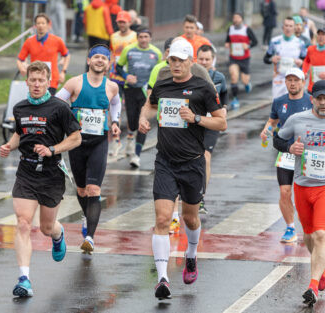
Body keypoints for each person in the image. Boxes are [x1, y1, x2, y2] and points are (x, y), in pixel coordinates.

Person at [138, 39, 226, 300]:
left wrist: (196, 118)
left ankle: (191, 254)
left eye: (180, 60)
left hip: (192, 163)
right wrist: (144, 118)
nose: (175, 64)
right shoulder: (162, 84)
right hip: (165, 161)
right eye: (172, 60)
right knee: (163, 219)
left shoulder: (203, 88)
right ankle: (163, 278)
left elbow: (222, 122)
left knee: (190, 217)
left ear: (190, 62)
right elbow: (150, 105)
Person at [0, 61, 82, 297]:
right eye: (32, 80)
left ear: (48, 82)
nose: (36, 84)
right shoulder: (20, 108)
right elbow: (19, 132)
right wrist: (9, 145)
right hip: (26, 171)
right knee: (23, 223)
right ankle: (24, 279)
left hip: (52, 173)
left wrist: (53, 149)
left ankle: (58, 234)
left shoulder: (59, 108)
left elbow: (75, 138)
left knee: (46, 227)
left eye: (41, 80)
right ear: (27, 82)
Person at [274, 80, 325, 306]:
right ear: (312, 99)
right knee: (309, 237)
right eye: (318, 98)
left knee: (320, 235)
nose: (322, 102)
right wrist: (289, 148)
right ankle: (321, 267)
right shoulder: (297, 120)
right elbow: (277, 138)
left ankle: (312, 285)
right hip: (302, 186)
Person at [56, 45, 121, 253]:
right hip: (76, 142)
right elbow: (57, 102)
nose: (100, 60)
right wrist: (66, 122)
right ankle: (86, 215)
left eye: (104, 58)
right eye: (96, 57)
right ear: (88, 60)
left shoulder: (112, 87)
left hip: (99, 142)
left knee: (94, 190)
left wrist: (115, 121)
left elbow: (116, 104)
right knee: (82, 189)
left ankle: (90, 237)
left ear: (108, 63)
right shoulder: (75, 82)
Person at [260, 68, 312, 243]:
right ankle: (290, 227)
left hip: (306, 154)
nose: (292, 83)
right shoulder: (279, 101)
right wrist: (266, 129)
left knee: (306, 194)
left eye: (296, 80)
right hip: (286, 152)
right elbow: (273, 121)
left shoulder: (311, 100)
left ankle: (310, 225)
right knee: (284, 191)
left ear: (303, 82)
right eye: (289, 80)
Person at [116, 27, 162, 168]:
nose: (143, 39)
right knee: (132, 120)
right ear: (137, 38)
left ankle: (136, 155)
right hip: (131, 90)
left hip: (146, 92)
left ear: (150, 38)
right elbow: (118, 66)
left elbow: (161, 71)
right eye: (141, 37)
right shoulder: (128, 50)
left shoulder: (156, 53)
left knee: (143, 122)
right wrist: (126, 76)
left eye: (146, 37)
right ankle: (130, 137)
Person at [196, 44, 228, 214]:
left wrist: (224, 108)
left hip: (211, 122)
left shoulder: (219, 77)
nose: (204, 61)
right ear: (196, 59)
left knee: (206, 157)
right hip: (193, 122)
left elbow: (224, 96)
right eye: (201, 58)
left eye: (207, 59)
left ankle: (201, 197)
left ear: (212, 59)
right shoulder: (191, 76)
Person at [17, 13, 70, 95]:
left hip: (51, 80)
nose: (40, 26)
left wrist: (63, 72)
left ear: (48, 25)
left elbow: (67, 55)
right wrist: (21, 68)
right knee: (36, 105)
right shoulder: (29, 42)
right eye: (38, 23)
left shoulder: (57, 40)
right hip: (35, 80)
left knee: (48, 105)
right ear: (35, 26)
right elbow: (20, 59)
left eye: (43, 23)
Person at [109, 10, 137, 157]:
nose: (121, 24)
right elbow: (112, 55)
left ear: (129, 23)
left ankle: (131, 137)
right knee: (115, 105)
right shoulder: (113, 36)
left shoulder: (135, 37)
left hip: (130, 77)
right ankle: (116, 139)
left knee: (131, 109)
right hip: (115, 77)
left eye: (124, 21)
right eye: (119, 21)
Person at [264, 17, 306, 101]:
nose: (288, 28)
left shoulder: (300, 43)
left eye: (291, 26)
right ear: (283, 27)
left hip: (294, 80)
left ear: (294, 28)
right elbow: (266, 59)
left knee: (294, 104)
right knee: (277, 104)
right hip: (279, 78)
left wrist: (301, 62)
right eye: (286, 25)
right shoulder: (275, 41)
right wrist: (272, 59)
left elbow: (306, 62)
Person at [225, 12, 258, 109]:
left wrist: (247, 46)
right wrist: (227, 44)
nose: (235, 19)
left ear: (241, 19)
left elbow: (255, 42)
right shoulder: (230, 29)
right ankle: (235, 99)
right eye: (234, 18)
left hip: (244, 58)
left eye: (237, 18)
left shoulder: (246, 29)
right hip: (233, 57)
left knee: (244, 80)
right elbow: (227, 40)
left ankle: (247, 84)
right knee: (234, 76)